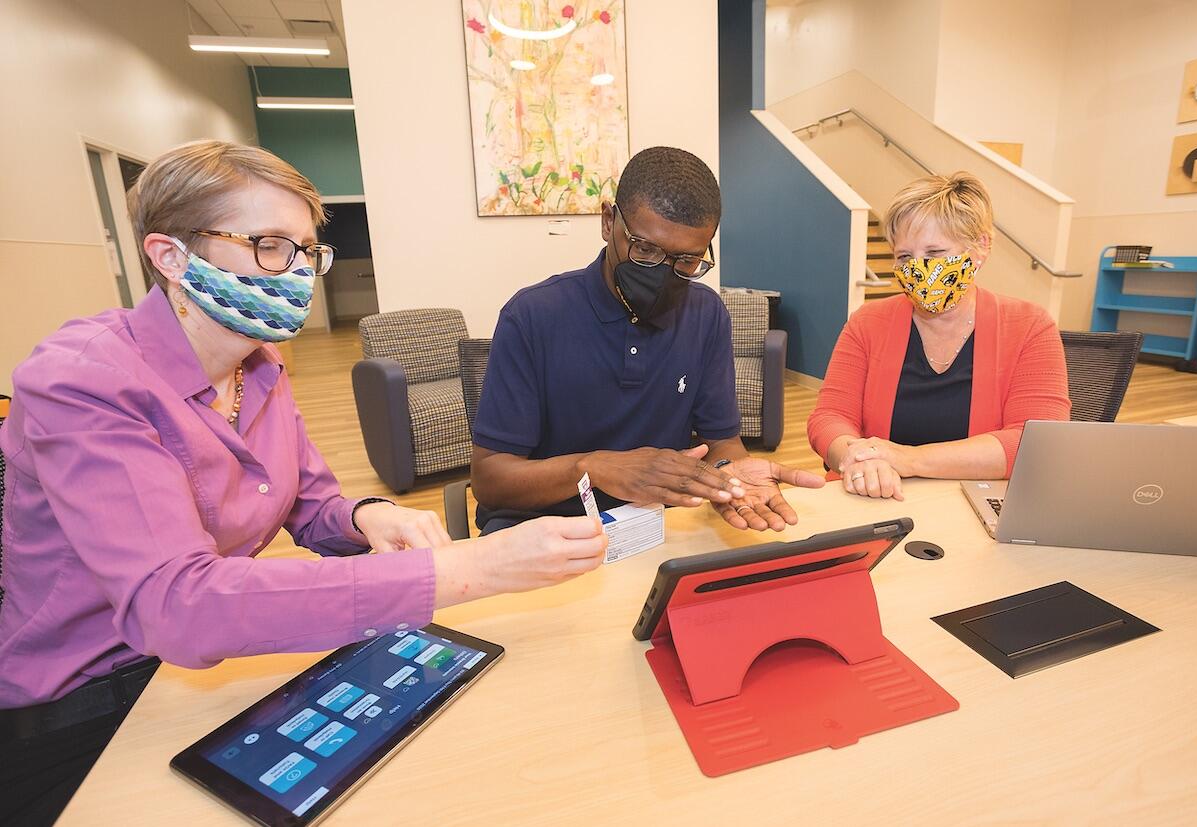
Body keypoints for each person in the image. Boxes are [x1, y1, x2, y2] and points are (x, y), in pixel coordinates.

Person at [0, 141, 606, 826]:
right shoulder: (84, 381)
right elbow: (178, 604)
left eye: (307, 252)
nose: (296, 273)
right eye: (269, 246)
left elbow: (309, 502)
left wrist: (367, 514)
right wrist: (469, 569)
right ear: (170, 256)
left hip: (198, 673)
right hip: (87, 716)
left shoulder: (257, 362)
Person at [469, 146, 823, 535]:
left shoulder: (705, 313)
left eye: (686, 261)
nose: (662, 273)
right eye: (645, 249)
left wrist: (730, 473)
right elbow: (490, 479)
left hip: (657, 524)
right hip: (541, 527)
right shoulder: (532, 316)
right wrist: (594, 468)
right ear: (609, 222)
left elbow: (721, 443)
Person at [807, 172, 1070, 500]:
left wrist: (907, 459)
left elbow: (1034, 443)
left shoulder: (1029, 326)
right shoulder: (867, 323)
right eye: (905, 256)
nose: (919, 269)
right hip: (876, 500)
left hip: (974, 503)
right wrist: (857, 460)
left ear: (981, 247)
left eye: (935, 253)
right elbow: (830, 417)